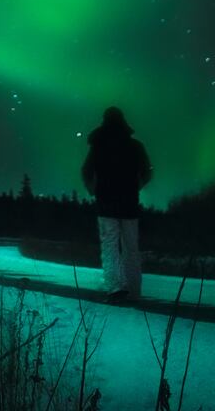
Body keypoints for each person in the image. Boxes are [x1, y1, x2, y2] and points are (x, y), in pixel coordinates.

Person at [81, 106, 152, 301]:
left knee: (110, 247)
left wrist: (94, 190)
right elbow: (147, 172)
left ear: (104, 121)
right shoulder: (135, 146)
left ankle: (114, 289)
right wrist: (134, 187)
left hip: (106, 205)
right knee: (131, 248)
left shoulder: (98, 146)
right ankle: (134, 290)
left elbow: (86, 171)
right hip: (129, 205)